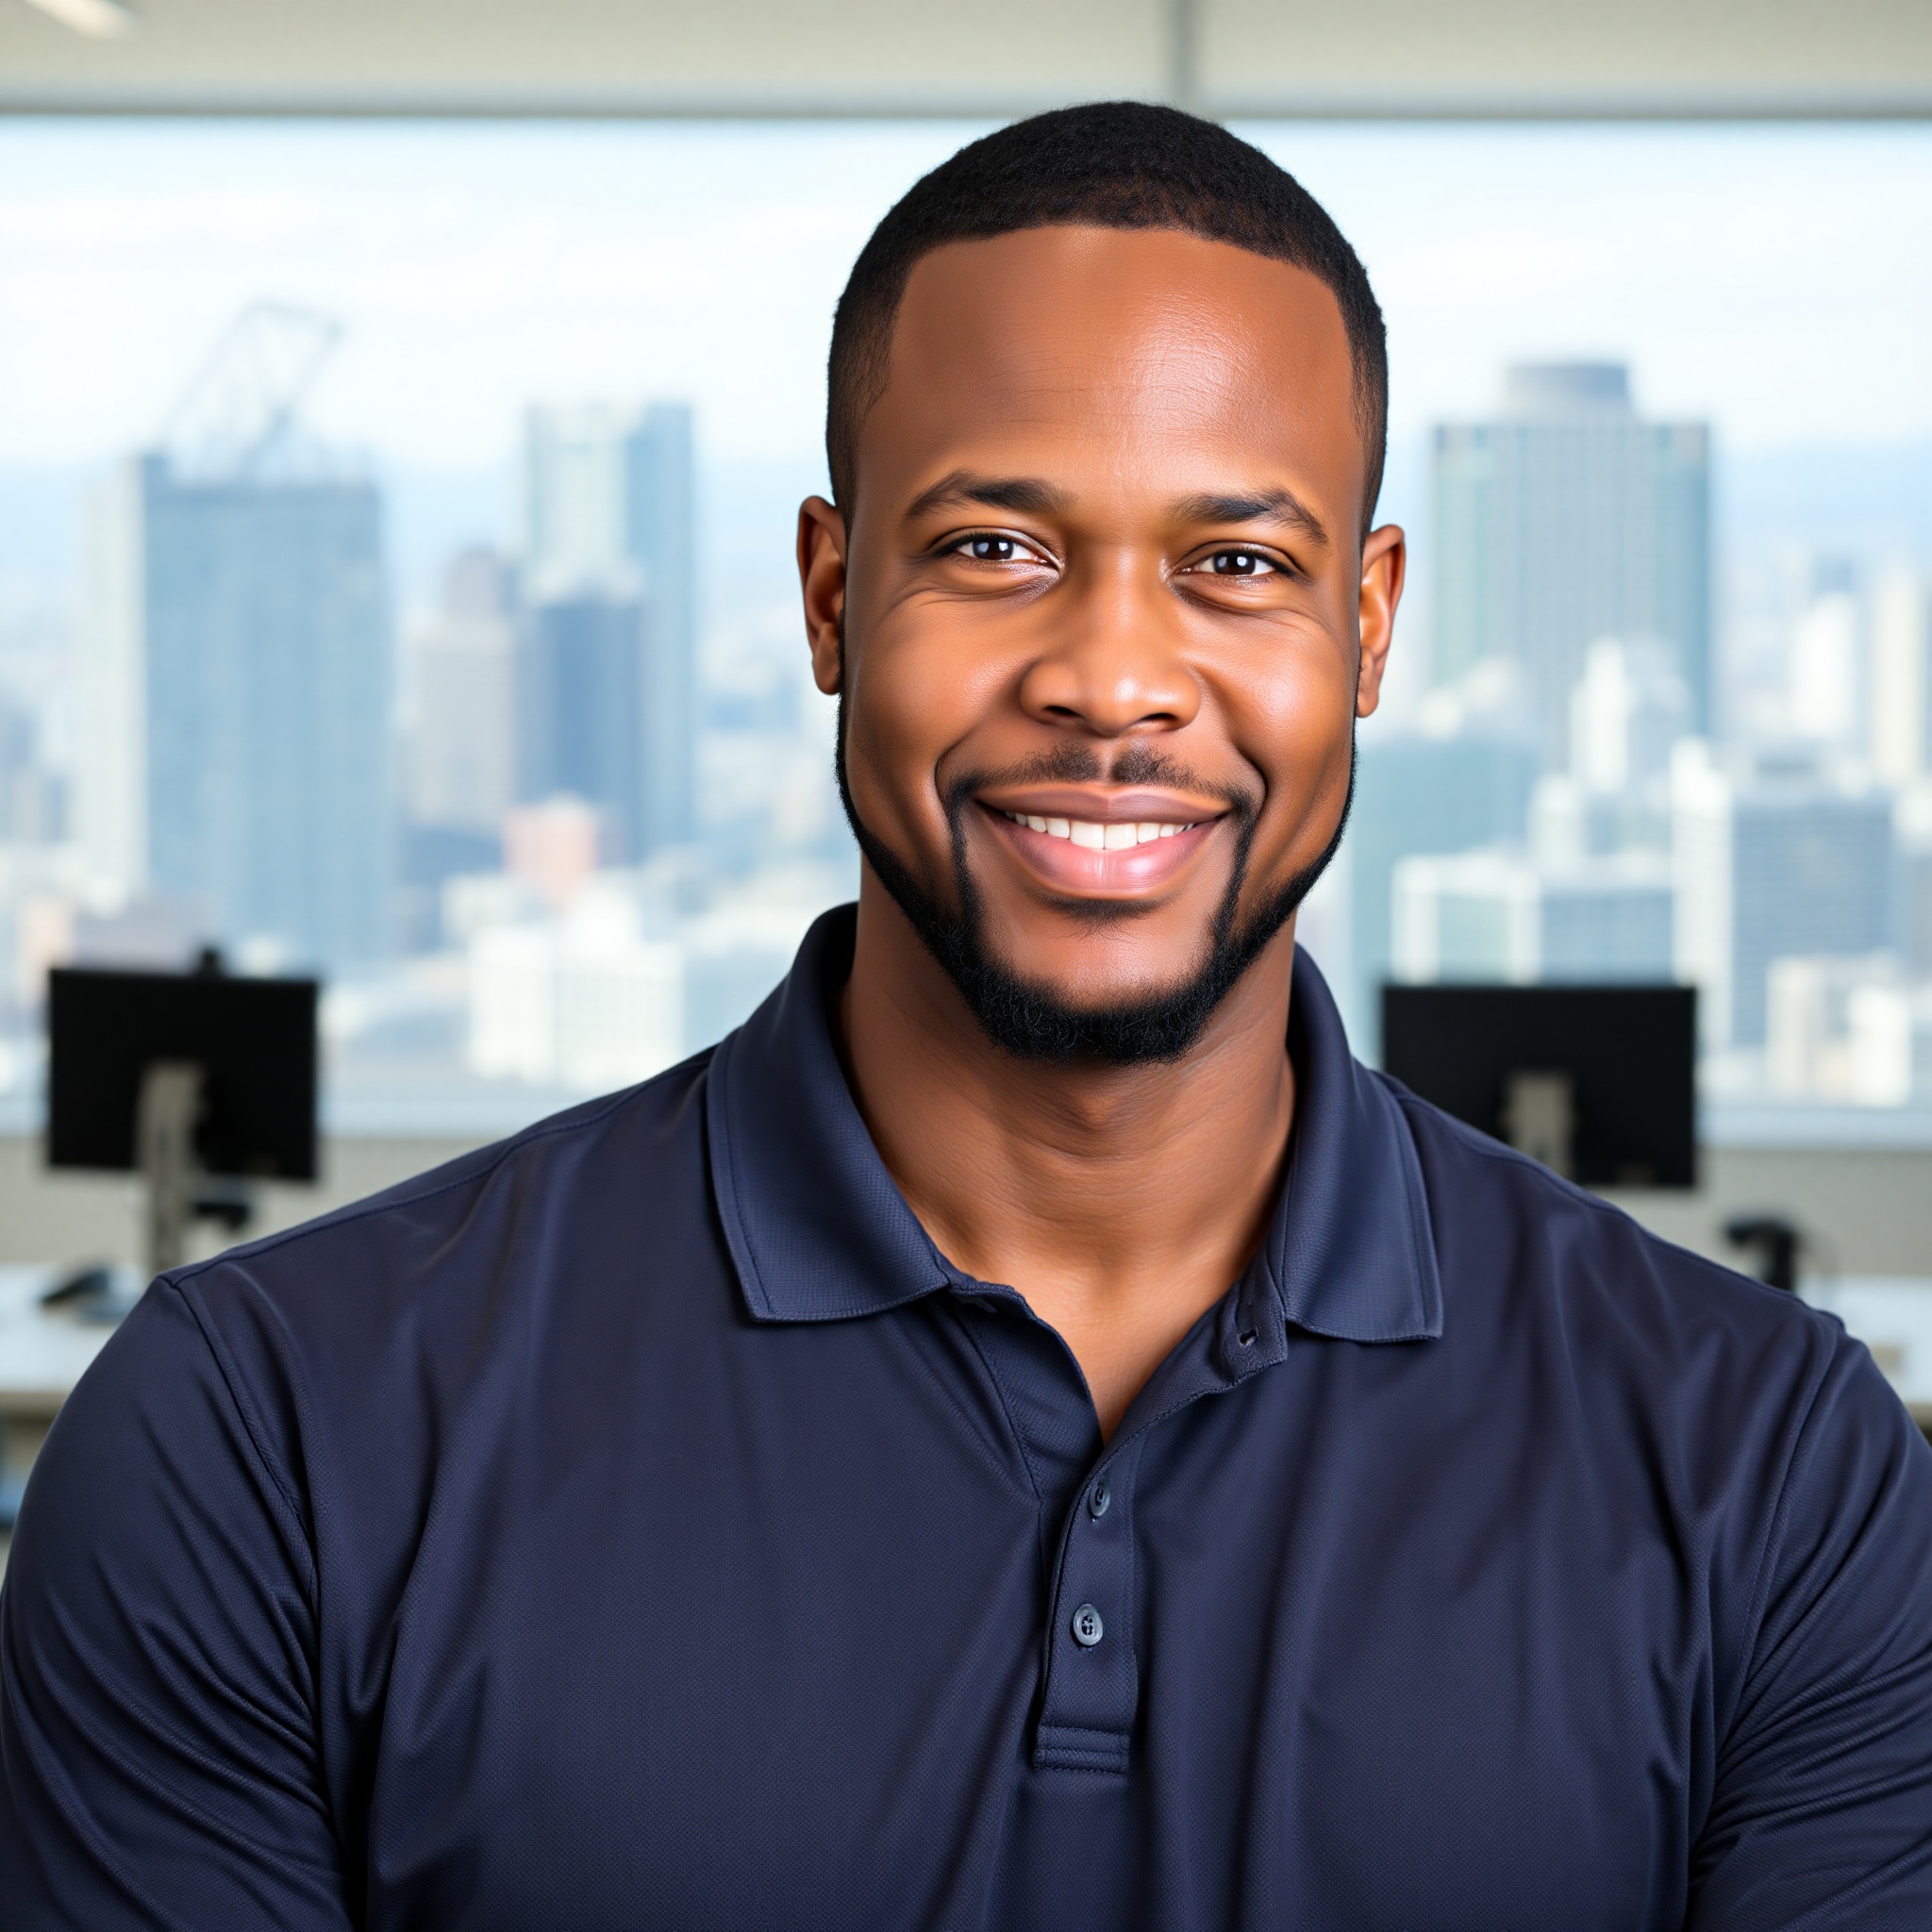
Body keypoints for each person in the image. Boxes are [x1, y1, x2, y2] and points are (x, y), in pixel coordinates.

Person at [4, 103, 1930, 1930]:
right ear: (833, 597)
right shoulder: (264, 1437)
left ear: (1366, 623)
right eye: (994, 549)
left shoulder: (1779, 1478)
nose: (1111, 680)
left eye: (1235, 565)